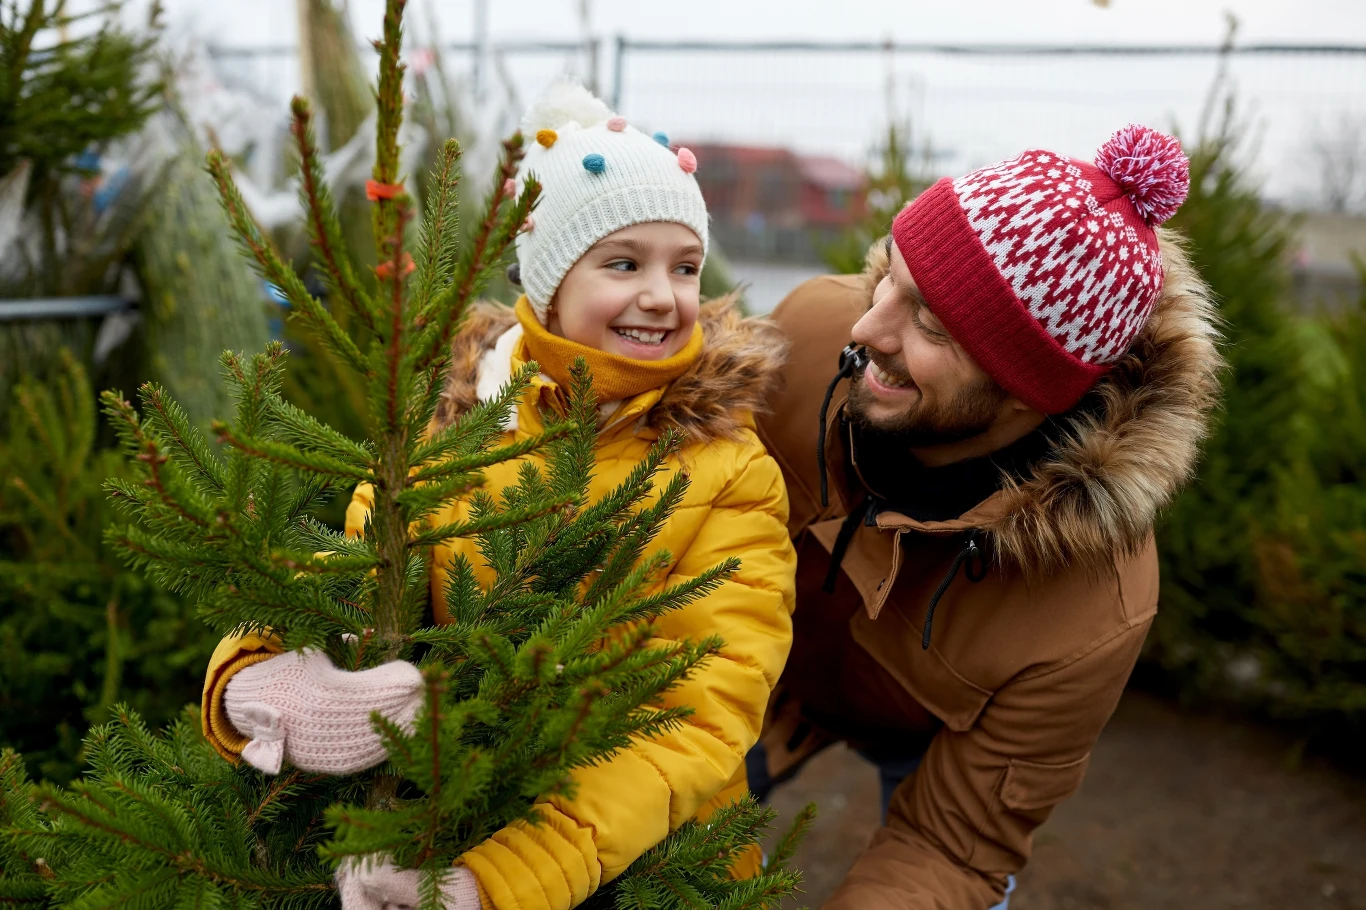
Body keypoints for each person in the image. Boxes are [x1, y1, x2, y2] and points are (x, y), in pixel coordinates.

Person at [199, 82, 797, 910]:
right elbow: (354, 569)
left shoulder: (729, 469)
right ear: (550, 280)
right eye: (624, 262)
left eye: (684, 266)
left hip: (647, 868)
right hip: (433, 819)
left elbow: (702, 716)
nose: (663, 294)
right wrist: (254, 673)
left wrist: (498, 881)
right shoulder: (454, 417)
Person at [748, 125, 1224, 909]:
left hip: (929, 742)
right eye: (889, 281)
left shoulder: (1094, 606)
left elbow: (951, 847)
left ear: (1030, 389)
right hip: (762, 679)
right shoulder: (808, 336)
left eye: (932, 325)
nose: (867, 331)